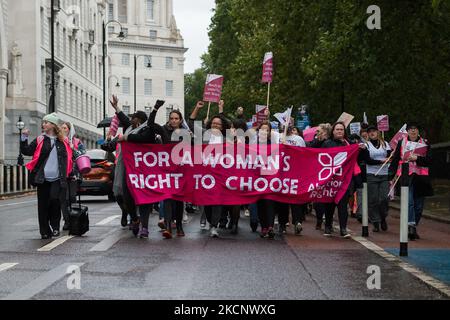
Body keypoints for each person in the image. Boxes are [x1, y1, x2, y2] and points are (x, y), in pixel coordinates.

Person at [21, 113, 72, 239]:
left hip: (57, 178)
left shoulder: (62, 141)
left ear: (53, 125)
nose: (43, 124)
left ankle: (55, 226)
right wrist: (23, 137)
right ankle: (44, 230)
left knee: (54, 201)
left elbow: (70, 158)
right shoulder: (40, 139)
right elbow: (26, 151)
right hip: (42, 178)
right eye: (43, 122)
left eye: (46, 122)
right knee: (43, 205)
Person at [189, 100, 231, 238]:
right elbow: (191, 123)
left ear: (222, 126)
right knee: (206, 201)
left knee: (217, 201)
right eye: (214, 123)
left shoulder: (226, 139)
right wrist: (197, 108)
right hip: (204, 174)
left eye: (218, 123)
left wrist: (221, 110)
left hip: (220, 175)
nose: (215, 125)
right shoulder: (203, 135)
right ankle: (209, 221)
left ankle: (214, 226)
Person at [389, 122, 433, 240]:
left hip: (421, 177)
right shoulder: (401, 142)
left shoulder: (425, 143)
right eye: (410, 129)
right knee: (409, 202)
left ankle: (413, 225)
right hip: (405, 176)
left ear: (418, 131)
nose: (413, 131)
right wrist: (390, 175)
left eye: (415, 129)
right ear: (407, 131)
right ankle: (411, 226)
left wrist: (417, 158)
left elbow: (430, 160)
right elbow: (396, 159)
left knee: (418, 206)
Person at [322, 122, 363, 238]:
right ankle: (328, 226)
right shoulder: (327, 143)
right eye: (337, 129)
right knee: (329, 204)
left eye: (341, 129)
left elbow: (359, 158)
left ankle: (343, 229)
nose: (339, 131)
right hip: (330, 179)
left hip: (344, 179)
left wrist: (361, 149)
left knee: (342, 204)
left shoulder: (349, 143)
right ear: (333, 131)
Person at [360, 126, 391, 232]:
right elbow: (367, 160)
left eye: (374, 131)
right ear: (368, 134)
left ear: (378, 132)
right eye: (370, 132)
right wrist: (381, 161)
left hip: (384, 175)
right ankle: (375, 222)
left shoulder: (385, 144)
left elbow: (390, 156)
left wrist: (390, 157)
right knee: (372, 199)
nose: (372, 133)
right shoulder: (366, 145)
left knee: (384, 198)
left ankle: (383, 217)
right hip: (371, 174)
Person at [60, 121, 86, 231]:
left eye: (65, 128)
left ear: (69, 130)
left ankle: (74, 218)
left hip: (73, 174)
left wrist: (73, 148)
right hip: (62, 174)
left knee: (72, 197)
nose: (63, 130)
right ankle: (67, 220)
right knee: (63, 199)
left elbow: (82, 155)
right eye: (61, 128)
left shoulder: (77, 142)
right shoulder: (59, 141)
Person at [307, 123, 332, 230]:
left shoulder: (331, 142)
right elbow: (310, 148)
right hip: (317, 172)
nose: (316, 133)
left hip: (329, 172)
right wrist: (318, 139)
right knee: (318, 199)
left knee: (328, 197)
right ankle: (319, 219)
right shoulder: (316, 141)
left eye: (318, 131)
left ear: (325, 132)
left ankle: (328, 221)